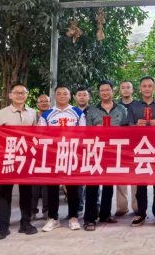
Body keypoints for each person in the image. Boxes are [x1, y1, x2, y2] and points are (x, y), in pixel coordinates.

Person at [0, 83, 38, 240]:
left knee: (26, 192)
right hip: (9, 157)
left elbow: (37, 134)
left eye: (23, 92)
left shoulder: (32, 113)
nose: (20, 95)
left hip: (26, 157)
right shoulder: (1, 114)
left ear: (27, 95)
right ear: (10, 95)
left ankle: (25, 223)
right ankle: (3, 227)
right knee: (5, 193)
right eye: (17, 92)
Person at [38, 86, 86, 232]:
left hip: (72, 154)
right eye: (59, 93)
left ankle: (73, 217)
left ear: (70, 96)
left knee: (73, 188)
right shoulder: (47, 114)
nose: (62, 96)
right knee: (52, 187)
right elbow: (41, 135)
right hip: (53, 155)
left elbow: (83, 133)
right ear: (55, 96)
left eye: (65, 93)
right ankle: (53, 218)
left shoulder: (77, 112)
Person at [83, 80, 128, 230]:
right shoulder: (91, 110)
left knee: (109, 184)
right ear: (99, 93)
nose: (105, 92)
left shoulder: (121, 109)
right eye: (102, 90)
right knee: (92, 186)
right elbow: (85, 132)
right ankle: (89, 219)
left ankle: (105, 214)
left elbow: (127, 130)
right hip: (95, 150)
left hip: (113, 151)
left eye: (108, 90)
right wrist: (96, 129)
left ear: (112, 91)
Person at [129, 76, 155, 226]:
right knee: (141, 183)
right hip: (140, 148)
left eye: (150, 86)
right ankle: (141, 212)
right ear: (140, 88)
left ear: (154, 87)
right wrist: (135, 126)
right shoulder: (133, 106)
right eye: (144, 86)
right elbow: (126, 127)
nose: (147, 88)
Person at [115, 80, 137, 216]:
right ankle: (122, 207)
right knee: (120, 176)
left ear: (132, 90)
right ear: (120, 90)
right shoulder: (115, 107)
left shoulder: (139, 105)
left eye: (128, 87)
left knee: (135, 177)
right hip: (120, 144)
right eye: (123, 87)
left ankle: (136, 206)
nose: (126, 89)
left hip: (135, 144)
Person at [31, 94, 51, 220]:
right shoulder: (31, 116)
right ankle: (32, 210)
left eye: (46, 101)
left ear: (50, 103)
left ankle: (47, 210)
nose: (43, 103)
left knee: (47, 184)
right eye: (41, 101)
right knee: (33, 184)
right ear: (37, 104)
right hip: (34, 153)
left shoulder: (54, 115)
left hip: (50, 153)